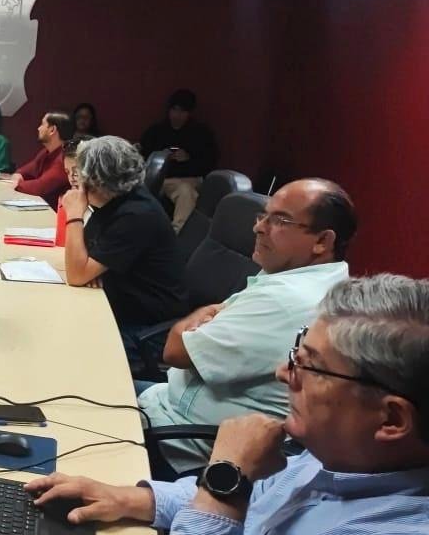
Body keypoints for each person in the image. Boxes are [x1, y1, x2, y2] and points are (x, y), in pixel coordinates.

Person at [26, 274, 429, 535]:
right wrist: (135, 499)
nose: (283, 373)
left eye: (311, 366)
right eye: (297, 352)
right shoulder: (346, 456)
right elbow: (263, 499)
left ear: (391, 420)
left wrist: (224, 484)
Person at [139, 179, 356, 475]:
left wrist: (196, 319)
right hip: (168, 401)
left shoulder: (287, 298)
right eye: (263, 215)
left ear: (322, 241)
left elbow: (175, 351)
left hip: (177, 438)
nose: (258, 227)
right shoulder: (308, 279)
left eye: (280, 220)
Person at [63, 136, 188, 374]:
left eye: (81, 176)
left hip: (146, 326)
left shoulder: (135, 215)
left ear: (97, 182)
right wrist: (91, 269)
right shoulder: (118, 198)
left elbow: (77, 274)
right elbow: (86, 255)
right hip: (124, 303)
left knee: (70, 346)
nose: (78, 183)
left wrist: (74, 215)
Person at [139, 89, 221, 232]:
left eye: (182, 111)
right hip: (158, 178)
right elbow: (142, 156)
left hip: (187, 179)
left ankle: (177, 235)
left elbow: (208, 163)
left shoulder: (201, 134)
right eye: (174, 110)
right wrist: (161, 156)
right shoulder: (156, 131)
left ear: (189, 113)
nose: (177, 115)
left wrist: (188, 158)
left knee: (185, 191)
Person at [7, 111, 74, 208]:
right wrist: (18, 176)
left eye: (42, 124)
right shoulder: (46, 151)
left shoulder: (65, 157)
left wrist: (15, 184)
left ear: (52, 130)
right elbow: (25, 171)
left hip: (55, 212)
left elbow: (40, 187)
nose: (38, 128)